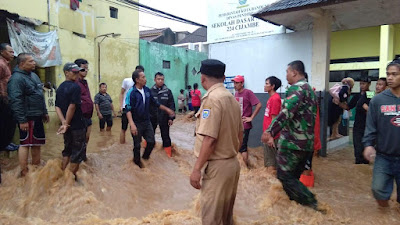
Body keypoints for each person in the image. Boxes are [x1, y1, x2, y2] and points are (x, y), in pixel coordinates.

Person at [262, 60, 322, 212]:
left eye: (287, 72)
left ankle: (312, 204)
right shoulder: (310, 89)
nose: (286, 75)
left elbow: (286, 113)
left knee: (283, 176)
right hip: (306, 144)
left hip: (293, 143)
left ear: (294, 72)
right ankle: (297, 213)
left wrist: (270, 131)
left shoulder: (297, 89)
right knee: (293, 180)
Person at [190, 59, 243, 224]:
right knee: (226, 219)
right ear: (224, 77)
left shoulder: (212, 99)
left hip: (217, 168)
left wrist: (197, 169)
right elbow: (240, 134)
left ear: (202, 78)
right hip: (232, 165)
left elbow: (210, 139)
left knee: (212, 219)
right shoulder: (231, 98)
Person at [363, 59, 400, 208]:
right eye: (388, 74)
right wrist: (368, 145)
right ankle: (383, 215)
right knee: (377, 190)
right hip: (384, 156)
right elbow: (371, 125)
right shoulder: (377, 100)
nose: (389, 78)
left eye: (394, 74)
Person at [8, 53, 49, 177]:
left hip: (37, 116)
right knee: (26, 144)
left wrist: (44, 112)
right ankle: (24, 171)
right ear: (22, 64)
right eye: (31, 61)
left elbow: (39, 95)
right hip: (27, 117)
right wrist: (22, 120)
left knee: (37, 143)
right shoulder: (16, 79)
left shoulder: (34, 76)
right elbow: (16, 100)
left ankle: (36, 168)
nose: (34, 63)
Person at [126, 70, 175, 168]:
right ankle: (137, 165)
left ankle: (145, 159)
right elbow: (127, 109)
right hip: (136, 123)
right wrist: (132, 124)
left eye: (145, 77)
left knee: (151, 142)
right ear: (137, 80)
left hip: (147, 121)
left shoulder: (147, 90)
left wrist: (167, 110)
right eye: (143, 77)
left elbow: (155, 103)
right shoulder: (131, 92)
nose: (145, 79)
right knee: (137, 145)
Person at [55, 63, 86, 178]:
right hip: (77, 125)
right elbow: (72, 106)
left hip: (66, 126)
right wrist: (66, 123)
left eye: (78, 72)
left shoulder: (60, 87)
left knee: (67, 150)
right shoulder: (76, 87)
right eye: (74, 72)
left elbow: (57, 106)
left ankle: (63, 174)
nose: (77, 74)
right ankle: (70, 179)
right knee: (77, 153)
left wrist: (63, 122)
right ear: (66, 73)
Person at [335, 77, 371, 164]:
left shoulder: (370, 94)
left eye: (364, 84)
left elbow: (372, 109)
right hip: (358, 124)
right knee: (357, 144)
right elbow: (348, 107)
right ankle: (358, 162)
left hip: (368, 124)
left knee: (366, 144)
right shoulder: (357, 96)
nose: (362, 86)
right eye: (361, 84)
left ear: (369, 84)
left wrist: (366, 107)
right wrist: (338, 103)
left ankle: (366, 161)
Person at [232, 75, 262, 167]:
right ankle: (241, 166)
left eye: (237, 83)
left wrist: (251, 117)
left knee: (243, 148)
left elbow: (259, 105)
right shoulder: (236, 94)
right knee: (237, 147)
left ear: (242, 83)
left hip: (245, 125)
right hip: (237, 124)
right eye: (234, 83)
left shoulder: (248, 92)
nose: (235, 85)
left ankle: (245, 169)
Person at [149, 72, 175, 157]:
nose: (160, 81)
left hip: (164, 117)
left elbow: (171, 105)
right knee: (149, 135)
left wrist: (171, 118)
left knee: (165, 136)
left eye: (162, 79)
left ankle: (168, 155)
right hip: (152, 117)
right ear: (155, 80)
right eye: (158, 79)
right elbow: (147, 105)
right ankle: (148, 155)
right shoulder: (150, 91)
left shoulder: (168, 92)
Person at [0, 43, 18, 153]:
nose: (12, 54)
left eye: (13, 52)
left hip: (7, 98)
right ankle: (4, 144)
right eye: (10, 52)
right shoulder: (1, 64)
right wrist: (2, 96)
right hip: (2, 99)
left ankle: (6, 142)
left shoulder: (6, 64)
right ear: (2, 52)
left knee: (9, 122)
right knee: (5, 123)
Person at [119, 65, 144, 144]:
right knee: (124, 128)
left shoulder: (143, 84)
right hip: (126, 108)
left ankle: (137, 145)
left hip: (137, 110)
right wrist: (121, 105)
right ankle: (122, 145)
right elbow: (121, 93)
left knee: (138, 128)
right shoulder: (127, 81)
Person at [262, 76, 282, 172]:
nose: (265, 86)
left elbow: (275, 119)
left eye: (267, 83)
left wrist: (270, 136)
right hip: (268, 133)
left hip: (272, 135)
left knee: (271, 163)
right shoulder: (272, 98)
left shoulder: (275, 99)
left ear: (272, 86)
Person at [74, 58, 92, 161]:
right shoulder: (75, 83)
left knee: (86, 138)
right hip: (79, 116)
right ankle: (78, 160)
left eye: (86, 69)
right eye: (83, 69)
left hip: (87, 116)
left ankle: (83, 158)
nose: (85, 71)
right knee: (79, 140)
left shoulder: (84, 82)